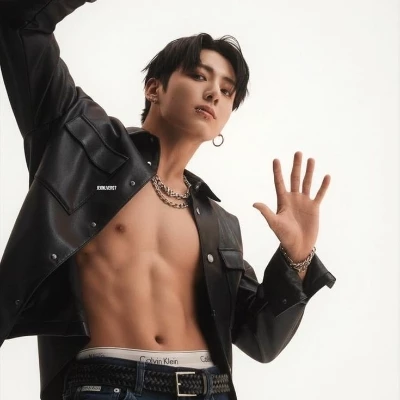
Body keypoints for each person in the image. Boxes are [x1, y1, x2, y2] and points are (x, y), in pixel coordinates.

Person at [0, 1, 336, 400]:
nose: (213, 93)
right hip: (108, 385)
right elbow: (18, 23)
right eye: (199, 76)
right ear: (153, 88)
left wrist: (297, 258)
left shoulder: (219, 223)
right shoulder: (80, 142)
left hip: (210, 388)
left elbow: (260, 340)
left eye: (227, 91)